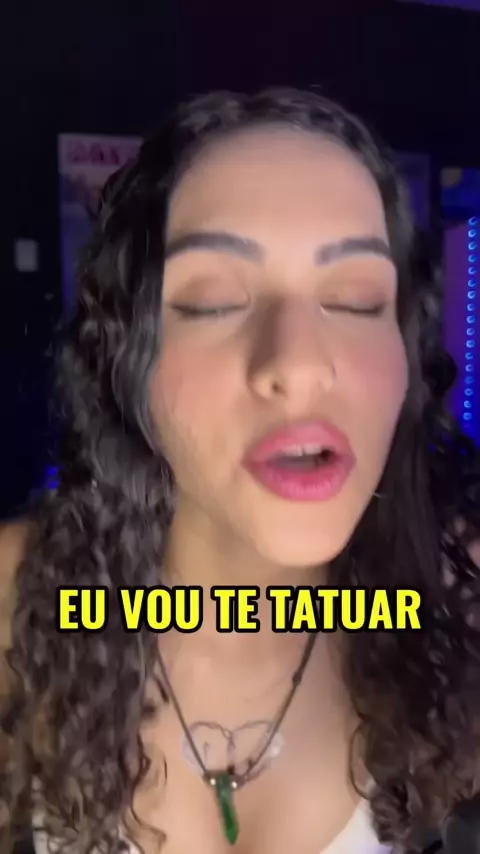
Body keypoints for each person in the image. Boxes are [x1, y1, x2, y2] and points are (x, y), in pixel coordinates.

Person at [1, 87, 480, 854]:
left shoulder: (459, 606)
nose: (297, 364)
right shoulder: (16, 597)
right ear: (128, 361)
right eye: (214, 301)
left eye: (357, 300)